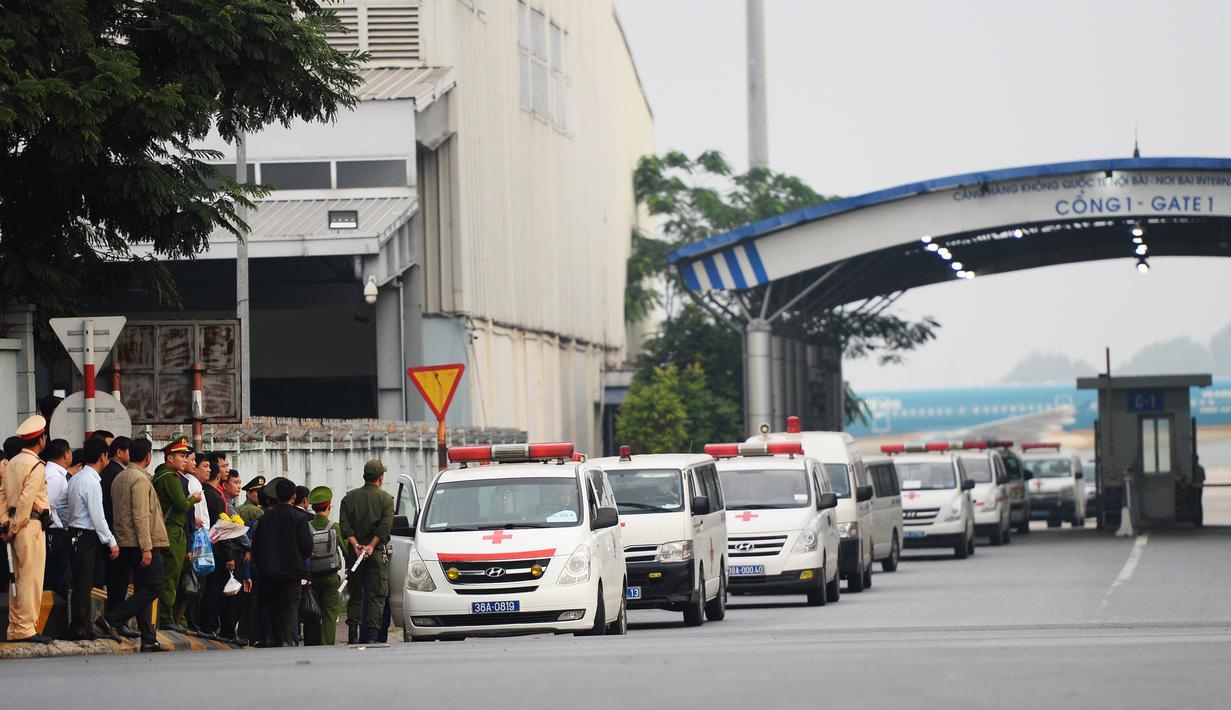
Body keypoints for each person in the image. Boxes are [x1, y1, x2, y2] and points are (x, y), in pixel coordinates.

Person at [96, 438, 168, 652]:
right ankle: (111, 619)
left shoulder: (120, 477)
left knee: (143, 588)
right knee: (154, 585)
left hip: (125, 541)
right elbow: (141, 515)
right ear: (148, 456)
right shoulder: (140, 479)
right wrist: (147, 547)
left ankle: (148, 639)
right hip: (141, 542)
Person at [0, 416, 53, 643]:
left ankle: (15, 627)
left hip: (14, 526)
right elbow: (26, 500)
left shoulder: (11, 463)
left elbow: (3, 495)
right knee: (30, 580)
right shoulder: (36, 466)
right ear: (40, 440)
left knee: (17, 578)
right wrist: (13, 527)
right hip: (28, 526)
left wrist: (4, 523)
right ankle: (25, 629)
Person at [65, 437, 119, 639]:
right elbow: (98, 517)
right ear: (103, 456)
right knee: (83, 583)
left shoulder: (77, 478)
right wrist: (111, 541)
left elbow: (63, 507)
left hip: (73, 533)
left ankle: (82, 625)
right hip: (85, 535)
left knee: (81, 582)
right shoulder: (92, 482)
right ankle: (81, 627)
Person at [251, 478, 312, 647]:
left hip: (269, 573)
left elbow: (256, 548)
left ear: (276, 496)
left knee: (272, 606)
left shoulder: (264, 519)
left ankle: (273, 637)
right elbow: (307, 547)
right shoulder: (299, 518)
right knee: (290, 606)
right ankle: (286, 639)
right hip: (292, 573)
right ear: (293, 497)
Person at [339, 459, 394, 645]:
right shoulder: (386, 499)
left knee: (355, 594)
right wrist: (371, 546)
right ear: (381, 478)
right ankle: (372, 635)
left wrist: (356, 545)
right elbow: (385, 527)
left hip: (355, 553)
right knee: (377, 595)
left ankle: (353, 634)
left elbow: (345, 528)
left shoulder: (348, 498)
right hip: (376, 553)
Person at [152, 436, 202, 631]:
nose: (184, 459)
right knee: (171, 576)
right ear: (169, 458)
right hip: (172, 531)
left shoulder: (160, 475)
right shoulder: (170, 477)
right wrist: (193, 500)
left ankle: (169, 617)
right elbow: (181, 505)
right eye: (181, 455)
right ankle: (167, 618)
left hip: (168, 529)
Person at [303, 486, 344, 646]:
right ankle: (327, 645)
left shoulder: (306, 526)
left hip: (312, 578)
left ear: (313, 507)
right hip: (330, 577)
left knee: (312, 611)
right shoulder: (335, 527)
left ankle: (313, 645)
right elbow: (346, 551)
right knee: (329, 614)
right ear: (329, 505)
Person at [100, 437, 133, 616]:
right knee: (118, 581)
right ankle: (115, 620)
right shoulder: (117, 474)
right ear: (119, 452)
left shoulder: (108, 471)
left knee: (116, 581)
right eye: (129, 450)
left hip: (110, 533)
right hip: (116, 534)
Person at [42, 438, 73, 600]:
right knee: (56, 577)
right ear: (66, 455)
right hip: (55, 531)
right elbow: (52, 506)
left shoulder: (51, 472)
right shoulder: (55, 476)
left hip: (54, 532)